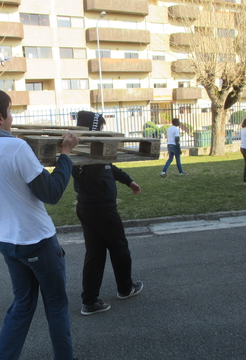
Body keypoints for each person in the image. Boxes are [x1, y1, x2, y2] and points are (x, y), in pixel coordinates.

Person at [0, 88, 79, 360]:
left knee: (22, 305)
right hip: (36, 240)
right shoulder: (15, 147)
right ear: (0, 117)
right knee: (56, 306)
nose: (12, 116)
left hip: (7, 242)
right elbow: (51, 193)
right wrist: (65, 155)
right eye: (10, 110)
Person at [72, 110, 143, 316]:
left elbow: (109, 168)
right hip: (100, 209)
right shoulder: (82, 152)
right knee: (120, 249)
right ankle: (125, 288)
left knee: (95, 254)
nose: (103, 131)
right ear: (93, 129)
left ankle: (90, 301)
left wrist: (128, 181)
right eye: (100, 128)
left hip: (91, 209)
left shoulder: (96, 151)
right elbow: (86, 174)